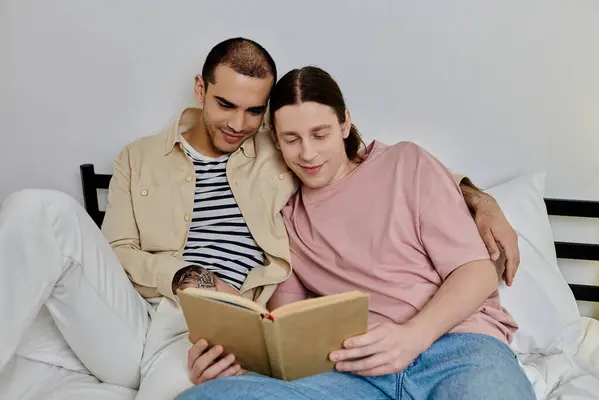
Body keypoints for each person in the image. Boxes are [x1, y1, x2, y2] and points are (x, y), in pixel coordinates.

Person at [0, 39, 519, 399]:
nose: (239, 124)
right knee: (38, 211)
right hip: (145, 317)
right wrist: (185, 284)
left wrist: (477, 196)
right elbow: (117, 255)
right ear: (200, 90)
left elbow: (368, 160)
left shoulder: (305, 153)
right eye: (227, 105)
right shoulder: (145, 159)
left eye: (254, 113)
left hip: (233, 329)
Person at [176, 66, 535, 400]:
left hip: (457, 348)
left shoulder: (405, 164)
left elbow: (477, 271)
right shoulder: (287, 218)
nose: (308, 153)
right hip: (356, 370)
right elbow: (288, 334)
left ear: (346, 122)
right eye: (291, 139)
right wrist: (229, 362)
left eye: (320, 134)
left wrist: (412, 337)